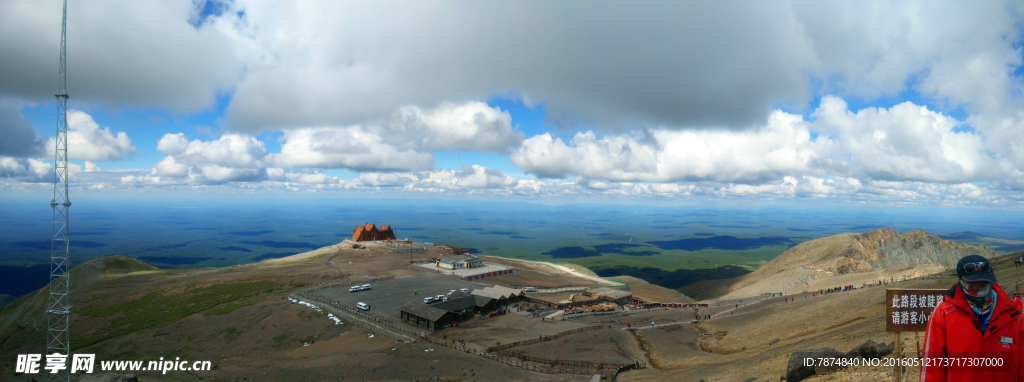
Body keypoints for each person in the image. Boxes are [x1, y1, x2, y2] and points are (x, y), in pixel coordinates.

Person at [921, 255, 1024, 381]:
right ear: (960, 280)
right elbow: (932, 366)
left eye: (984, 283)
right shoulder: (944, 314)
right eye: (973, 283)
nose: (979, 287)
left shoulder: (1014, 318)